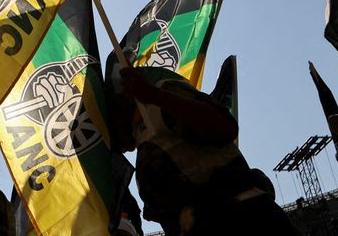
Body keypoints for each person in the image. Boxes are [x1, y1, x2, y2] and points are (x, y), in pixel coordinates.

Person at [111, 66, 298, 236]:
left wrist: (154, 95)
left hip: (243, 221)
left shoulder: (158, 104)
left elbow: (224, 127)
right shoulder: (144, 141)